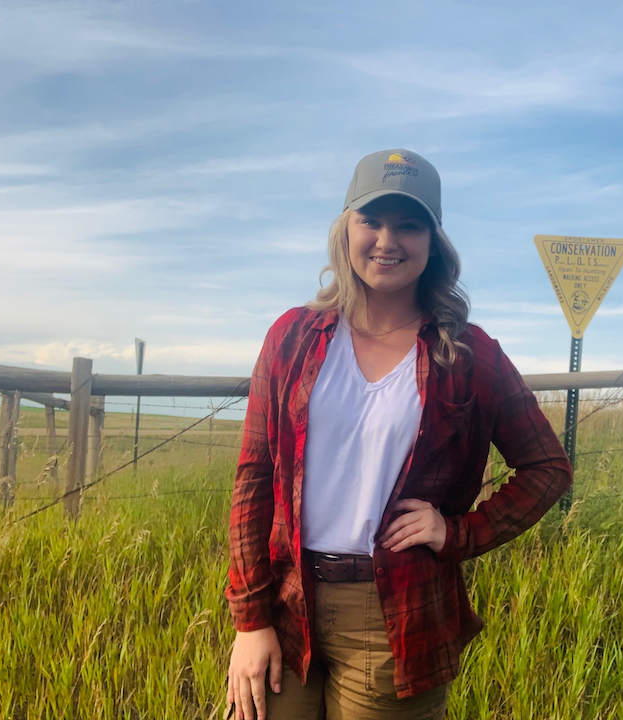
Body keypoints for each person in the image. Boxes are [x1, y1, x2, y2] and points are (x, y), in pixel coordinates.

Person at [225, 149, 572, 720]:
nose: (388, 240)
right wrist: (250, 619)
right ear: (346, 229)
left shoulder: (468, 353)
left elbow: (548, 469)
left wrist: (458, 533)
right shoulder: (291, 337)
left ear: (433, 241)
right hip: (288, 604)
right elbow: (253, 478)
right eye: (372, 220)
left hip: (397, 617)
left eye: (409, 224)